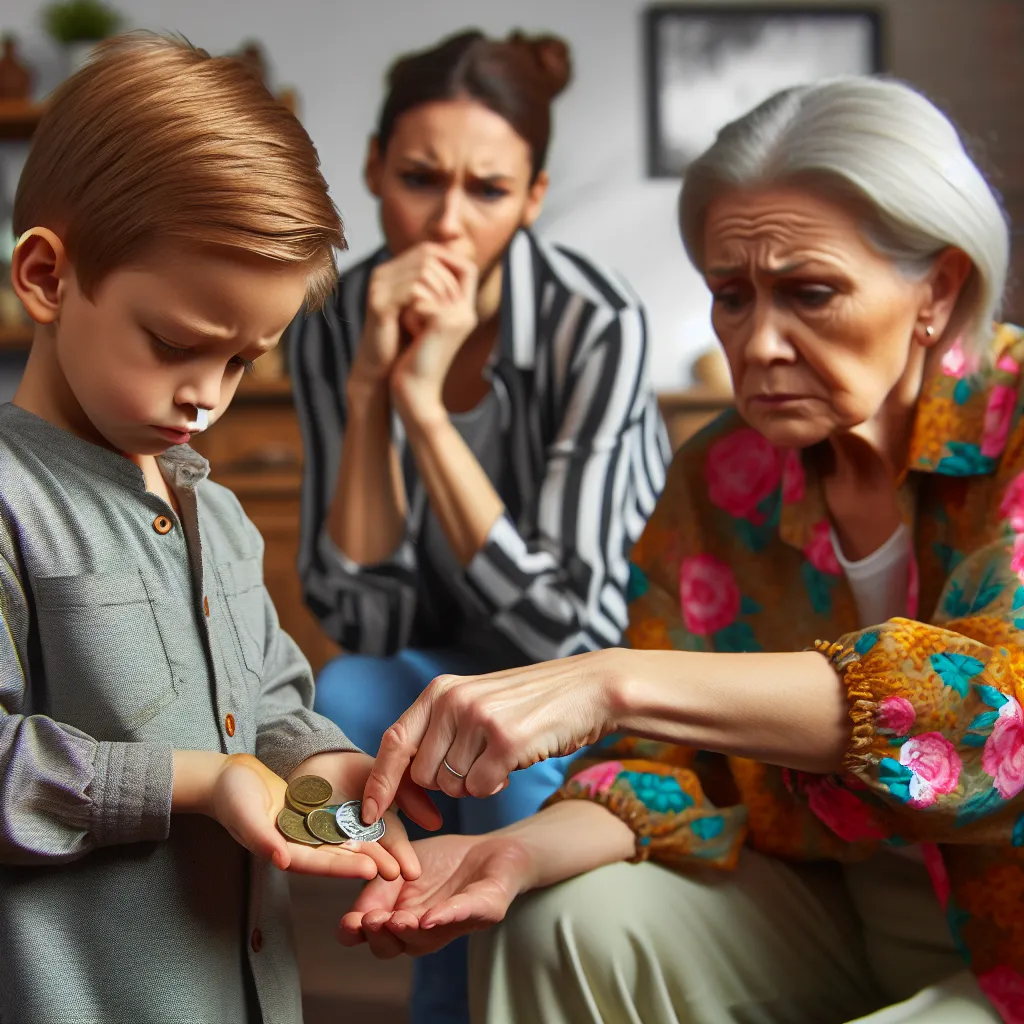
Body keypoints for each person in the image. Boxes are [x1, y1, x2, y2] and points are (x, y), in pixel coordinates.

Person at [343, 77, 1024, 1024]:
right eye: (731, 297)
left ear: (936, 288)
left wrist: (612, 677)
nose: (761, 343)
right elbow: (667, 763)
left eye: (811, 293)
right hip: (829, 897)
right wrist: (518, 854)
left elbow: (1000, 716)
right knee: (561, 924)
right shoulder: (725, 473)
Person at [0, 34, 436, 1024]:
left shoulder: (219, 515)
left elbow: (270, 701)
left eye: (243, 362)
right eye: (176, 345)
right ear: (45, 277)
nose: (205, 397)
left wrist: (329, 769)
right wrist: (196, 783)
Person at [289, 28, 668, 1024]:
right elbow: (363, 620)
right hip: (436, 655)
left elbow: (569, 635)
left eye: (488, 191)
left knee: (501, 771)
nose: (446, 223)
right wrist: (371, 385)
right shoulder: (332, 321)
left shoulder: (597, 324)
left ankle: (465, 991)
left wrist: (424, 405)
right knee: (340, 696)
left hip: (587, 669)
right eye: (419, 178)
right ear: (373, 169)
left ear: (533, 197)